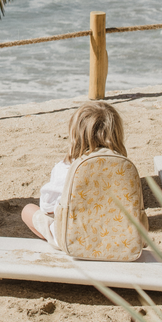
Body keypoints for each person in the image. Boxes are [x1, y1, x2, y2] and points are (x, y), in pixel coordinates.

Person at [21, 101, 147, 247]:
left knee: (28, 211)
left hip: (76, 241)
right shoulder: (123, 168)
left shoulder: (66, 168)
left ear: (75, 135)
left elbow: (47, 207)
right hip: (119, 241)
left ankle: (59, 246)